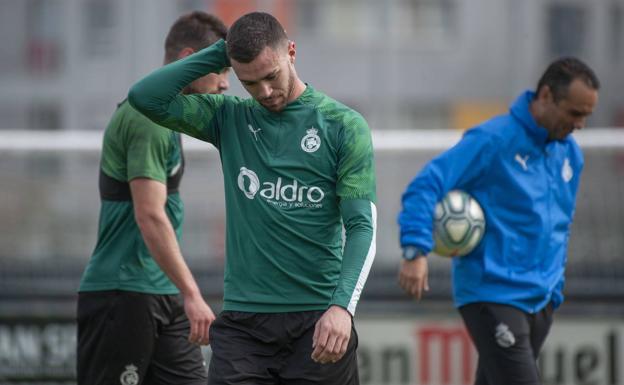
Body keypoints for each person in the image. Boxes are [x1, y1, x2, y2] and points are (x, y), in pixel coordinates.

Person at [128, 11, 377, 385]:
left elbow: (362, 226)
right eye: (249, 82)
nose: (263, 92)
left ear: (291, 52)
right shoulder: (229, 119)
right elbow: (146, 98)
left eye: (271, 76)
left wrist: (343, 307)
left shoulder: (343, 126)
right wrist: (218, 53)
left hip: (318, 320)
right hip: (244, 327)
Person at [397, 57, 599, 385]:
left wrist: (555, 288)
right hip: (492, 294)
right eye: (575, 113)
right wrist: (415, 249)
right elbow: (427, 184)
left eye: (586, 116)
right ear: (546, 96)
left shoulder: (570, 154)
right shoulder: (494, 140)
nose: (580, 125)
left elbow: (561, 224)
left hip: (541, 299)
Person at [77, 11, 229, 385]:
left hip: (160, 292)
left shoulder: (168, 118)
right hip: (124, 292)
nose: (226, 84)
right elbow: (150, 215)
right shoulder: (148, 119)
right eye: (219, 69)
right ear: (187, 59)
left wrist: (181, 293)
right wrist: (192, 293)